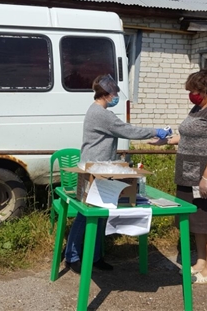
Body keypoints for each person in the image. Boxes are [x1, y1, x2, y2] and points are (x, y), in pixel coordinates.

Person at [64, 74, 171, 274]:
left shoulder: (98, 110)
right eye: (113, 93)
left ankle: (94, 257)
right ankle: (72, 257)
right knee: (86, 216)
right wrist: (156, 131)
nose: (116, 97)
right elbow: (127, 130)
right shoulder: (101, 114)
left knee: (101, 215)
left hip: (100, 168)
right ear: (105, 94)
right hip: (94, 169)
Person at [151, 68, 207, 285]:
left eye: (194, 90)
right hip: (189, 175)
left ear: (205, 88)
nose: (191, 95)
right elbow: (187, 135)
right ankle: (200, 262)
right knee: (196, 220)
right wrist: (165, 141)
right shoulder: (199, 107)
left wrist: (206, 177)